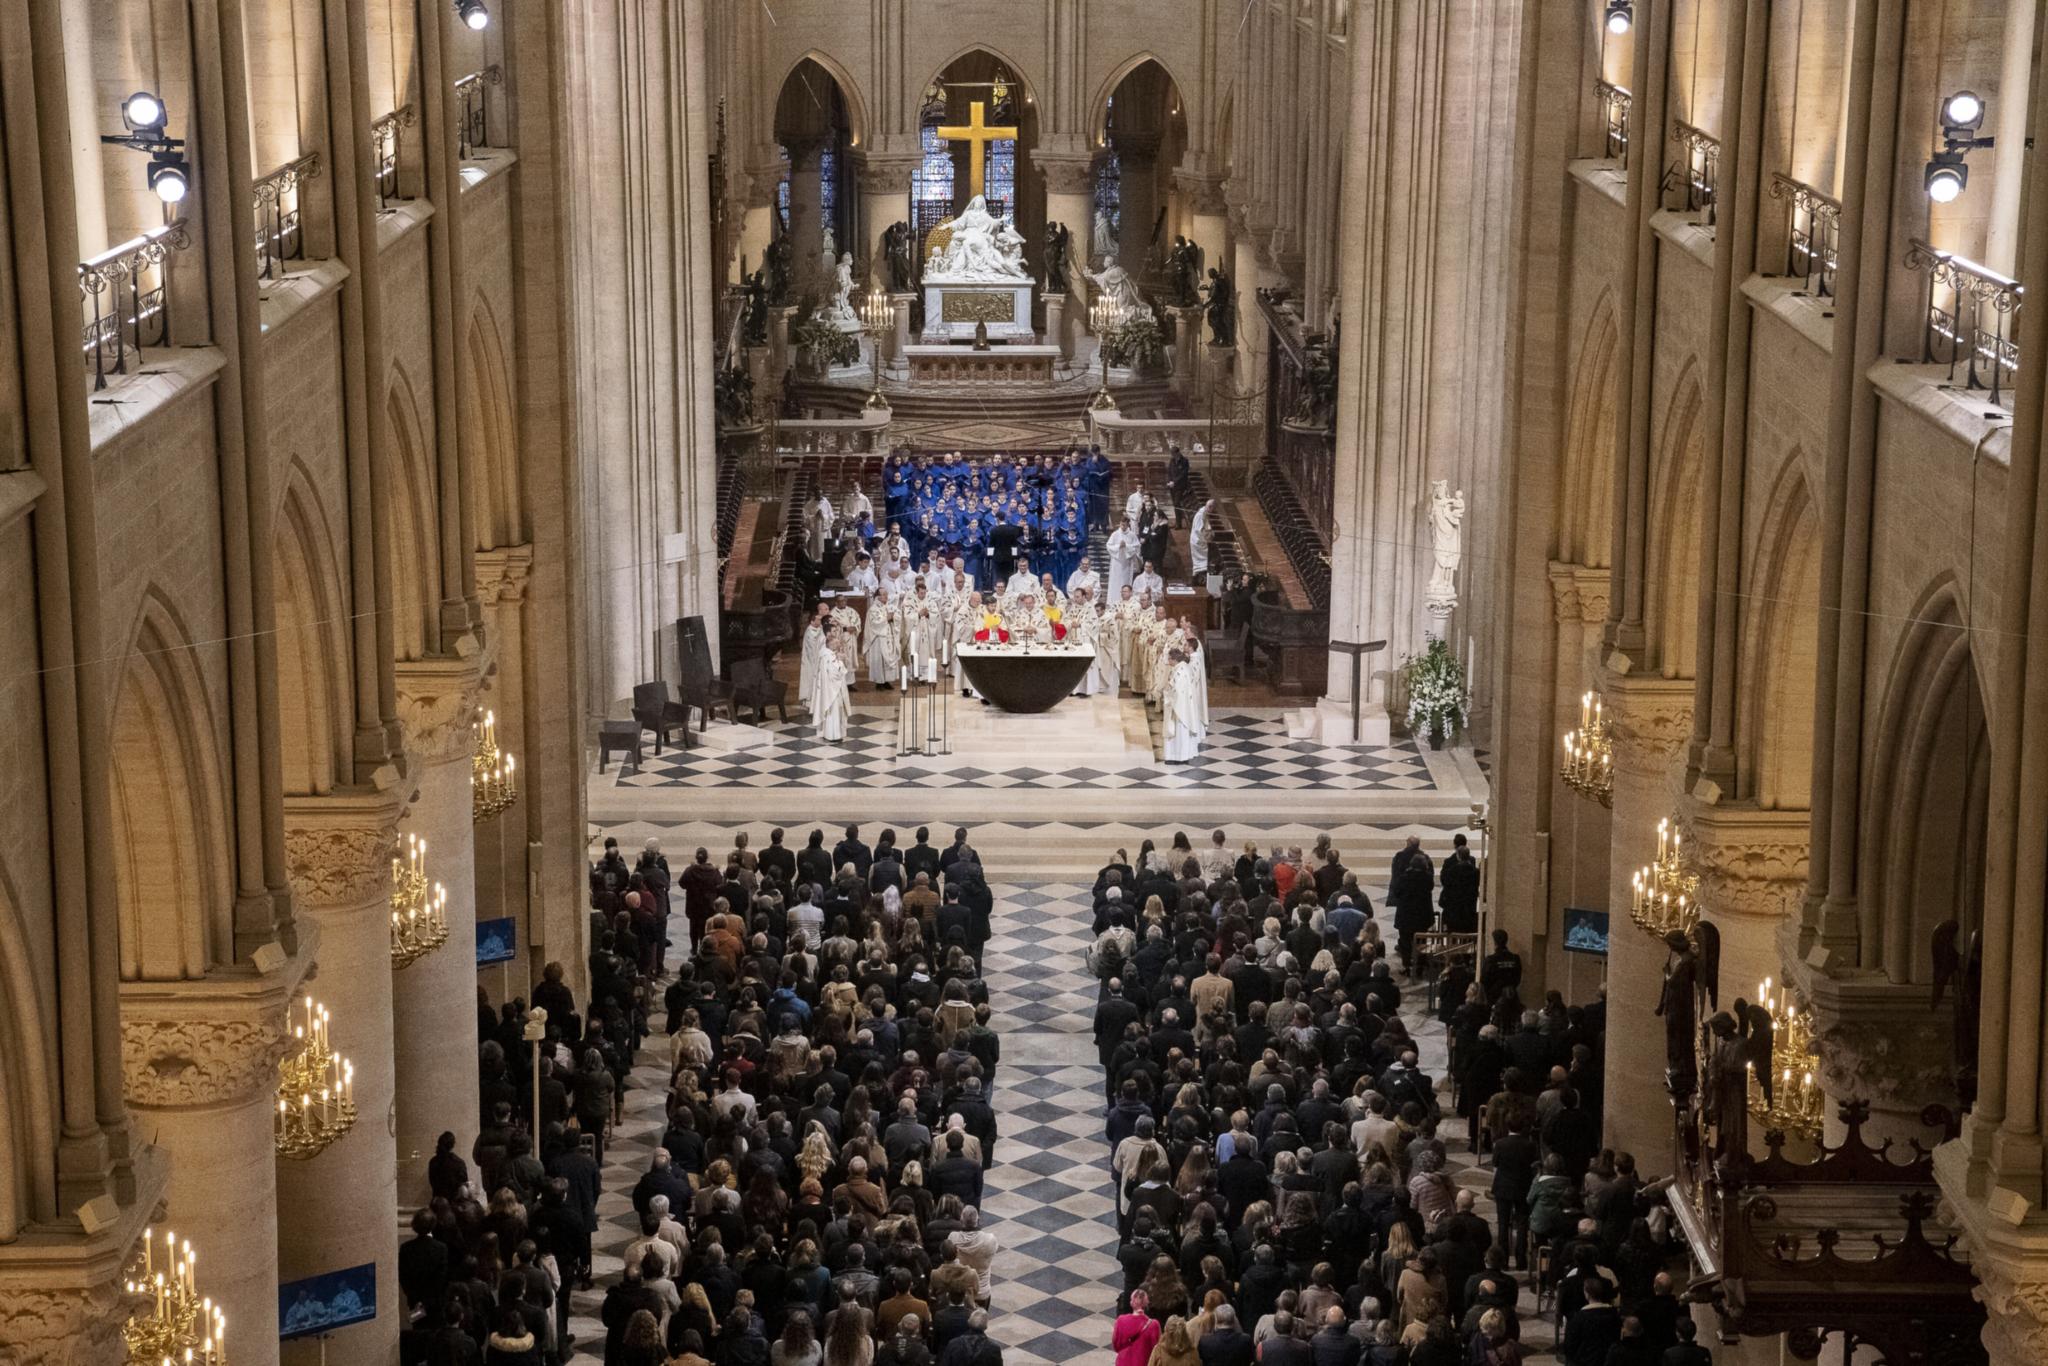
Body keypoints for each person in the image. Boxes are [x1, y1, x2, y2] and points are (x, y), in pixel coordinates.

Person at [1439, 834, 1479, 934]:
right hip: (1469, 905)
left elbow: (1445, 881)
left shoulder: (1450, 867)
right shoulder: (1475, 869)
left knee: (1453, 930)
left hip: (1454, 906)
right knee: (1466, 932)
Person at [1116, 1291, 1163, 1366]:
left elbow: (1116, 1345)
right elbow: (1157, 1350)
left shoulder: (1120, 1320)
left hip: (1123, 1362)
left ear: (1131, 1303)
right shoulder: (1154, 1324)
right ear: (1146, 1303)